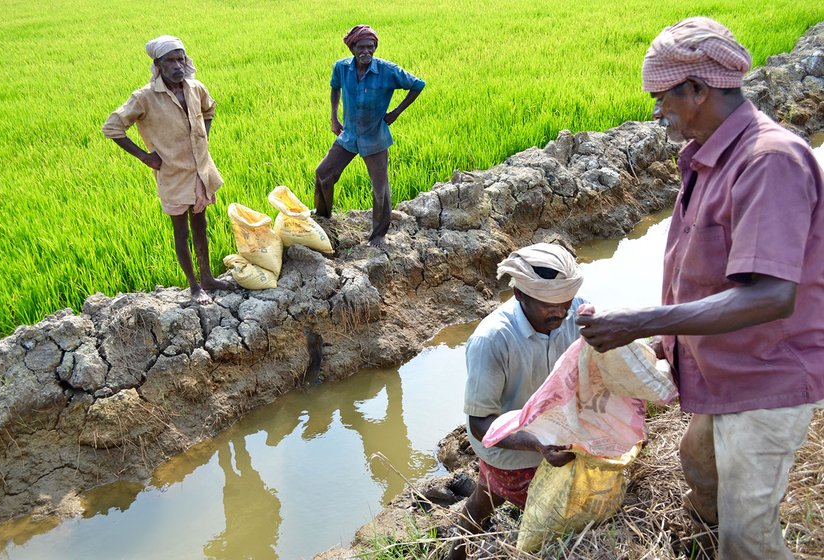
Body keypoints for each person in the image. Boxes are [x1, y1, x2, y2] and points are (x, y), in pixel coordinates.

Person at [576, 17, 824, 559]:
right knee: (698, 465)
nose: (657, 111)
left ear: (697, 90)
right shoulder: (711, 157)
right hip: (725, 368)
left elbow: (771, 296)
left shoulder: (768, 162)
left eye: (661, 97)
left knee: (748, 533)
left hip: (764, 375)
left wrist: (641, 322)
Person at [451, 243, 585, 560]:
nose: (561, 312)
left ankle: (453, 555)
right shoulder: (492, 340)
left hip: (553, 434)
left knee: (483, 501)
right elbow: (481, 425)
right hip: (511, 449)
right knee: (557, 527)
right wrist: (537, 443)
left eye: (565, 302)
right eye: (549, 305)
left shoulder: (575, 311)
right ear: (520, 294)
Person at [102, 35, 230, 304]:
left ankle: (207, 277)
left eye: (180, 58)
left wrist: (203, 138)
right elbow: (112, 127)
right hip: (173, 174)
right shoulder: (144, 98)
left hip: (200, 171)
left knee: (201, 224)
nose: (177, 65)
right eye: (170, 60)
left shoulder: (195, 88)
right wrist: (145, 157)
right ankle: (194, 286)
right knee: (181, 231)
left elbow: (210, 110)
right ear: (158, 65)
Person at [314, 25, 425, 247]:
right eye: (361, 47)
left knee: (380, 187)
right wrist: (334, 118)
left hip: (375, 137)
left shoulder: (387, 70)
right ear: (352, 47)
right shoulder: (342, 68)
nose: (366, 51)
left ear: (375, 48)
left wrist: (395, 112)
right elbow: (335, 88)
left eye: (370, 47)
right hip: (349, 135)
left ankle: (378, 234)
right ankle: (323, 217)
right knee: (323, 173)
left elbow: (417, 85)